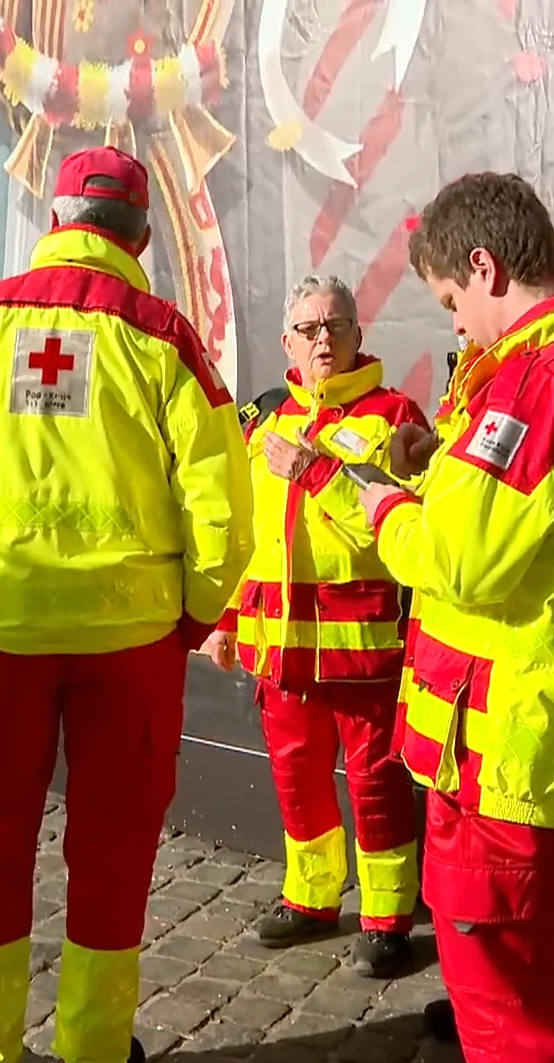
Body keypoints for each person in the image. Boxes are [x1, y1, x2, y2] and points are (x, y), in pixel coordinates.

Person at [307, 172, 554, 1063]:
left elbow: (464, 562)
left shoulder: (538, 384)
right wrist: (441, 465)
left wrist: (380, 505)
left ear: (484, 266)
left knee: (504, 1000)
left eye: (450, 301)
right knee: (546, 978)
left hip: (503, 750)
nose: (454, 326)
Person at [0, 146, 253, 1063]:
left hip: (3, 627)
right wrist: (191, 616)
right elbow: (224, 506)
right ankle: (95, 1054)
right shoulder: (165, 336)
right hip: (130, 640)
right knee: (113, 848)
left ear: (56, 223)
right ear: (139, 236)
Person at [198, 275, 424, 977]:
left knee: (375, 781)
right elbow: (246, 531)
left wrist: (318, 471)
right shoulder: (264, 420)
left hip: (362, 651)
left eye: (336, 326)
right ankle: (311, 897)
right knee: (297, 778)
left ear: (358, 335)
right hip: (280, 652)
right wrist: (225, 619)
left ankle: (388, 916)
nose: (323, 340)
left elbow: (401, 525)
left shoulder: (397, 417)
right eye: (309, 329)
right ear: (286, 343)